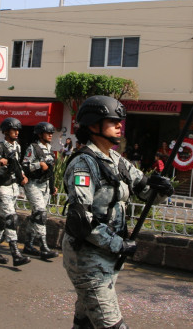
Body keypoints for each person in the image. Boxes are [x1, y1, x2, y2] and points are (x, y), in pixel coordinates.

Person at [63, 96, 173, 329]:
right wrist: (118, 244)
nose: (119, 125)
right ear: (93, 125)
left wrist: (162, 189)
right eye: (112, 120)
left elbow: (145, 192)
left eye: (120, 120)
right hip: (88, 258)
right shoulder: (83, 164)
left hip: (108, 258)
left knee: (85, 322)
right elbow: (81, 220)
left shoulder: (117, 160)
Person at [0, 117, 32, 267]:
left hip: (13, 186)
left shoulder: (17, 147)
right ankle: (15, 253)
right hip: (2, 186)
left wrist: (22, 175)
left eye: (18, 130)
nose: (16, 132)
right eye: (13, 130)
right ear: (6, 131)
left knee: (1, 219)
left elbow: (18, 164)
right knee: (10, 218)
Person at [21, 121, 59, 260]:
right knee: (41, 214)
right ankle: (43, 247)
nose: (50, 135)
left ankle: (28, 244)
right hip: (33, 184)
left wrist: (53, 185)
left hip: (45, 185)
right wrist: (38, 164)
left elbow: (52, 170)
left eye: (51, 133)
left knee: (36, 215)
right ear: (40, 134)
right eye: (48, 133)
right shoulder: (33, 147)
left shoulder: (49, 148)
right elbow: (25, 165)